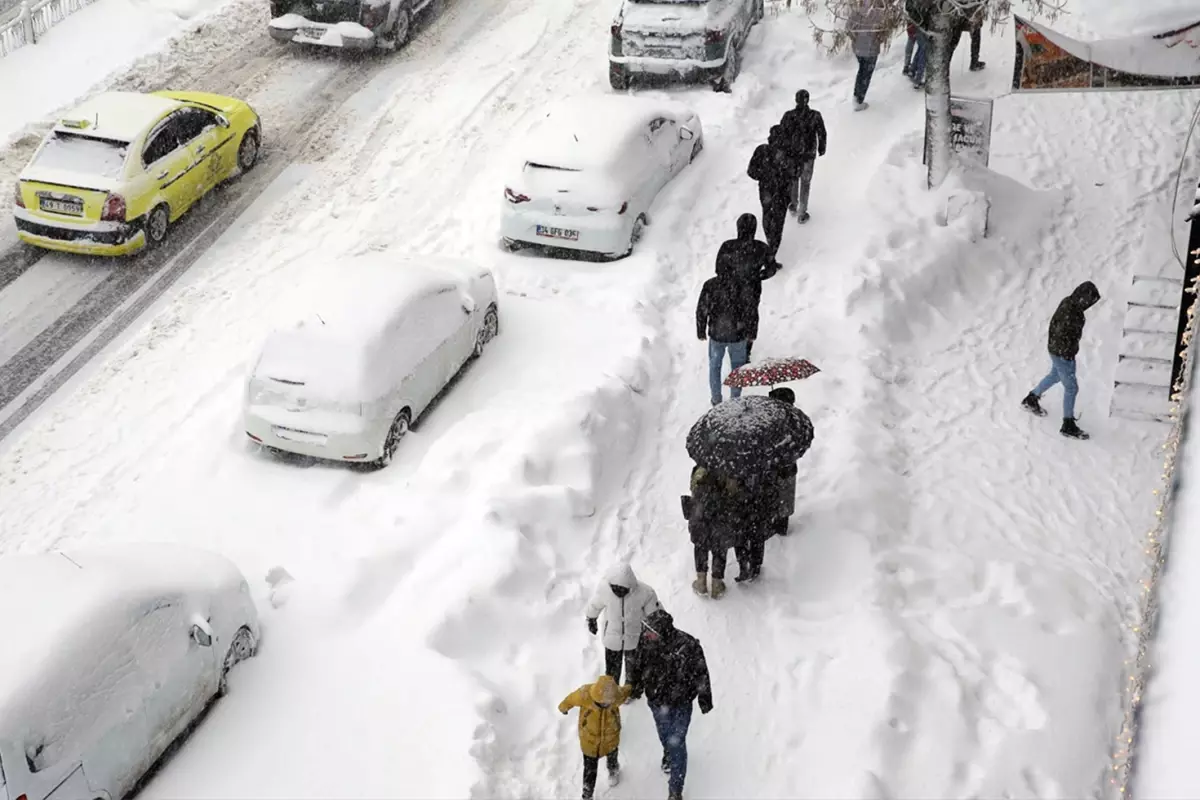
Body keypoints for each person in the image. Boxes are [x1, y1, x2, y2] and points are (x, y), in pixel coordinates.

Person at [638, 610, 713, 800]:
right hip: (657, 702)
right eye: (645, 630)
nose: (646, 634)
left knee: (677, 742)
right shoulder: (645, 642)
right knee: (665, 735)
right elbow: (638, 666)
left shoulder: (688, 645)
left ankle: (675, 790)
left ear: (662, 631)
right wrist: (634, 687)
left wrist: (704, 699)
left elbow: (701, 671)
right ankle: (668, 753)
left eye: (650, 631)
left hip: (681, 704)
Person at [1021, 281, 1101, 440]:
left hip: (1055, 350)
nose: (1089, 305)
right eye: (1089, 301)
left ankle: (1031, 399)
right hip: (1062, 354)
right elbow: (1062, 333)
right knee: (1071, 388)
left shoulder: (1069, 303)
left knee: (1055, 375)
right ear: (1083, 298)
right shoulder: (1073, 313)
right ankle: (1068, 425)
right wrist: (1067, 354)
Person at [585, 562, 660, 695]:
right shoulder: (604, 590)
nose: (619, 592)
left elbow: (655, 614)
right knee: (612, 670)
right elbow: (595, 605)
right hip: (612, 638)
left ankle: (632, 690)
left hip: (634, 638)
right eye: (615, 588)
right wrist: (591, 618)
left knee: (634, 668)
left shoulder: (645, 593)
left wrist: (660, 627)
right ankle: (612, 692)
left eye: (623, 589)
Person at [697, 251, 760, 405]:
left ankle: (716, 399)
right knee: (737, 369)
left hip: (716, 333)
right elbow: (751, 309)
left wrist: (701, 329)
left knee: (714, 367)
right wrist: (752, 331)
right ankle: (735, 400)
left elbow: (702, 308)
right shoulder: (744, 284)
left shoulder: (710, 285)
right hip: (738, 334)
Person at [714, 212, 778, 360]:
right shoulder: (761, 248)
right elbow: (771, 269)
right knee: (750, 317)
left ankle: (732, 342)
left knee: (731, 313)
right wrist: (758, 276)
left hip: (730, 288)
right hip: (752, 289)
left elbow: (719, 269)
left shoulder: (727, 246)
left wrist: (729, 279)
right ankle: (746, 350)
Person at [558, 674, 633, 799]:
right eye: (602, 703)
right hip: (590, 741)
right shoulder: (585, 694)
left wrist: (632, 685)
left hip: (611, 737)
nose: (606, 705)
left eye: (609, 702)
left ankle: (613, 771)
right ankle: (587, 794)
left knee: (612, 756)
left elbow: (626, 691)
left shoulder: (617, 695)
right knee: (590, 770)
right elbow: (571, 699)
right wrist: (563, 707)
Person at [685, 464, 744, 598]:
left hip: (700, 514)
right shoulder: (729, 468)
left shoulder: (700, 468)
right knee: (720, 548)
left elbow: (693, 488)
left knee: (701, 546)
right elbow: (734, 492)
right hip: (721, 516)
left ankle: (701, 582)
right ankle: (717, 584)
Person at [777, 89, 826, 223]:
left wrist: (781, 151)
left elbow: (781, 135)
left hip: (792, 155)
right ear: (807, 99)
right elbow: (822, 133)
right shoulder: (815, 116)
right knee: (805, 182)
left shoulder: (788, 116)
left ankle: (793, 205)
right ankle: (802, 212)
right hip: (808, 155)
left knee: (793, 179)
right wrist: (822, 148)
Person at [766, 387, 798, 538]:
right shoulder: (796, 420)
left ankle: (770, 521)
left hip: (771, 467)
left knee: (770, 496)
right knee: (785, 497)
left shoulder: (767, 419)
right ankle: (781, 524)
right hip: (788, 467)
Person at [846, 0, 885, 110]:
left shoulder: (857, 11)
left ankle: (856, 96)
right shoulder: (879, 12)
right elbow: (883, 32)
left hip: (859, 50)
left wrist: (855, 39)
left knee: (861, 71)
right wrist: (878, 40)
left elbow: (848, 28)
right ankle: (859, 100)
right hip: (871, 50)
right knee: (866, 74)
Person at [949, 5, 986, 72]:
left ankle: (945, 63)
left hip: (958, 9)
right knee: (976, 33)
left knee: (954, 37)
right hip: (971, 9)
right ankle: (974, 62)